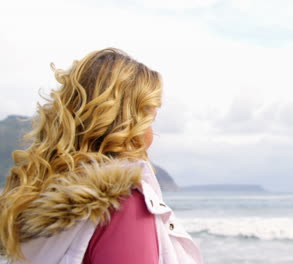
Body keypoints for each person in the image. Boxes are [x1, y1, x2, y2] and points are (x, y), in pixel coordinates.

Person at [0, 48, 203, 264]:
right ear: (129, 125)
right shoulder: (123, 205)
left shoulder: (40, 214)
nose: (152, 135)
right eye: (150, 120)